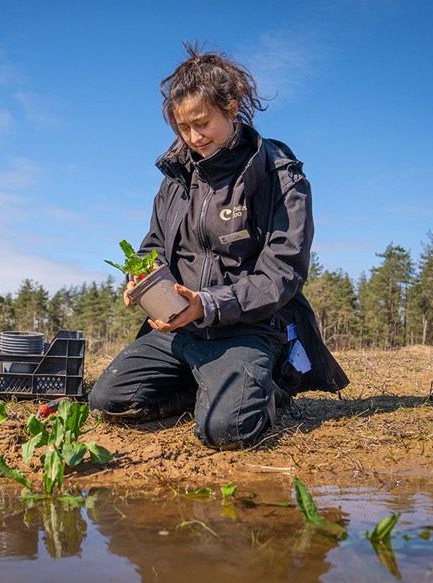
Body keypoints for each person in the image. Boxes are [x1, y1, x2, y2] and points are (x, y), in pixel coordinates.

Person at [88, 43, 348, 449]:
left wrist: (208, 304)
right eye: (183, 128)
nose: (193, 138)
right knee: (108, 401)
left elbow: (283, 273)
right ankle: (208, 388)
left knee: (225, 430)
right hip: (182, 330)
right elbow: (153, 246)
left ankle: (268, 388)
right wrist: (140, 277)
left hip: (247, 329)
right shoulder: (175, 180)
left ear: (231, 107)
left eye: (202, 123)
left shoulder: (279, 176)